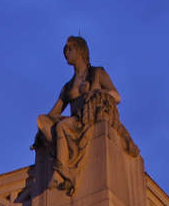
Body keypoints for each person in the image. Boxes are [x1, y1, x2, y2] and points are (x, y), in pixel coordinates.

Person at [34, 35, 122, 194]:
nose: (66, 53)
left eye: (69, 49)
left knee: (61, 127)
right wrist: (41, 130)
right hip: (73, 122)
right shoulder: (68, 86)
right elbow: (55, 112)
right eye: (65, 51)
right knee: (42, 120)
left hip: (88, 119)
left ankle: (62, 172)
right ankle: (62, 155)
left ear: (80, 50)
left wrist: (97, 93)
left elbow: (116, 96)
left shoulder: (97, 73)